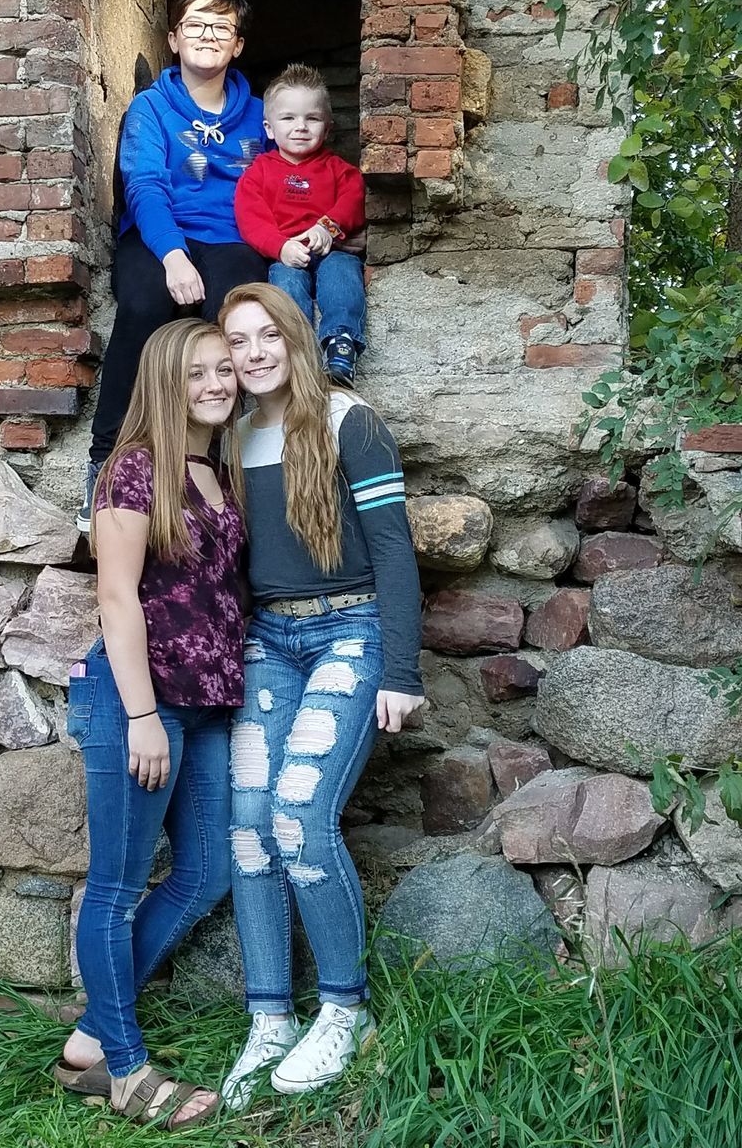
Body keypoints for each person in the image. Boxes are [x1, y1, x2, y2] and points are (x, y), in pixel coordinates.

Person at [216, 283, 425, 1109]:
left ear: (298, 337)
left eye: (270, 334)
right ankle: (268, 1018)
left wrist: (402, 672)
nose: (256, 353)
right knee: (247, 831)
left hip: (352, 630)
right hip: (266, 641)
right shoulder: (229, 437)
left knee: (298, 816)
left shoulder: (347, 421)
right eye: (238, 341)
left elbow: (395, 552)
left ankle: (346, 1010)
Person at [55, 319, 246, 1130]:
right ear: (166, 384)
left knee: (208, 872)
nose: (216, 382)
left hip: (205, 701)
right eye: (197, 371)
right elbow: (115, 596)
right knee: (118, 887)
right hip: (138, 697)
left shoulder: (217, 469)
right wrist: (140, 716)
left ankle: (91, 1039)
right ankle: (127, 1075)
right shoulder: (133, 472)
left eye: (224, 367)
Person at [77, 0, 269, 531]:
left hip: (233, 237)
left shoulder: (261, 115)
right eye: (196, 24)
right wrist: (173, 255)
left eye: (222, 27)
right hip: (159, 236)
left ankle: (220, 469)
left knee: (233, 315)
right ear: (174, 38)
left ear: (237, 45)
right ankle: (104, 461)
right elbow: (144, 185)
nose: (208, 35)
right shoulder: (150, 108)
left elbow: (288, 177)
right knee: (143, 307)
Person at [234, 64, 367, 385]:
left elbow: (355, 200)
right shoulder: (258, 173)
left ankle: (341, 345)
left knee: (342, 273)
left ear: (328, 126)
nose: (301, 127)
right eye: (288, 118)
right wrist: (280, 247)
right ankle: (297, 351)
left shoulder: (338, 169)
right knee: (285, 283)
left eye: (312, 118)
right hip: (286, 254)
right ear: (269, 128)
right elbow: (251, 219)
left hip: (332, 249)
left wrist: (329, 228)